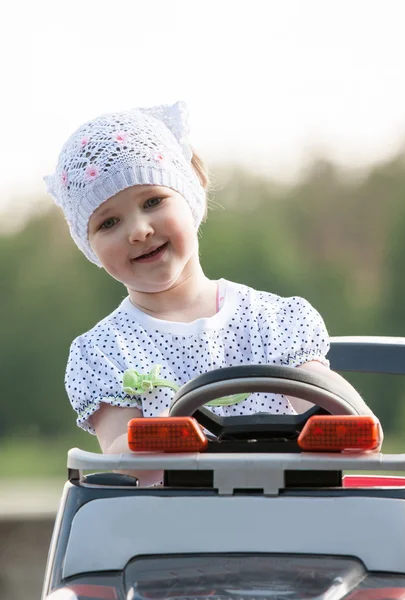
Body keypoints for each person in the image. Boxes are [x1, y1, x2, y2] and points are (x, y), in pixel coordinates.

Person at [45, 101, 381, 485]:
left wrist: (349, 421)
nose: (138, 230)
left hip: (293, 518)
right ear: (89, 246)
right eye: (108, 222)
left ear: (191, 196)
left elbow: (328, 405)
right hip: (174, 531)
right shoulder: (106, 349)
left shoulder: (272, 320)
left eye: (152, 201)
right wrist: (167, 442)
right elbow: (121, 450)